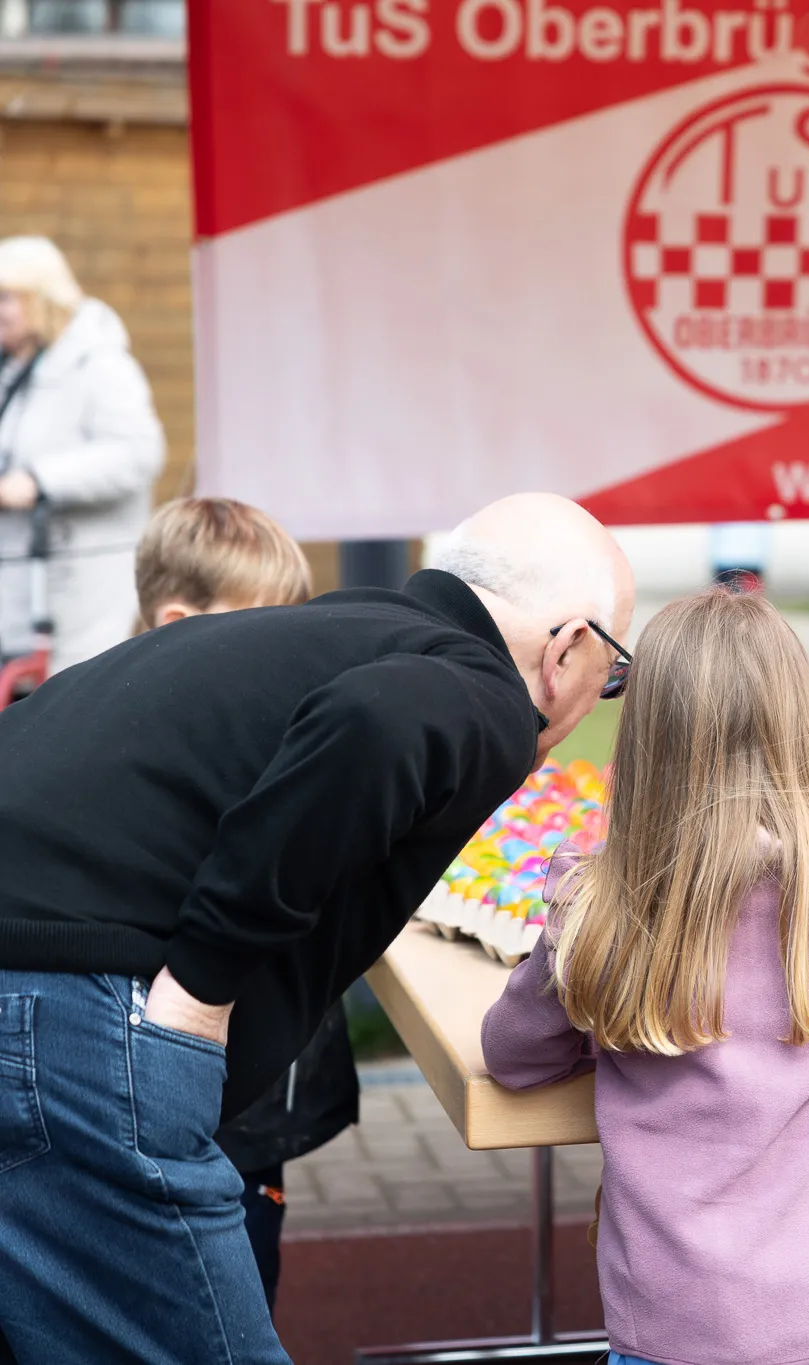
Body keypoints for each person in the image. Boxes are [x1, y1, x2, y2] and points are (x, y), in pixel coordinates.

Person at [0, 492, 634, 1362]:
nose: (601, 697)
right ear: (566, 649)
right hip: (72, 1012)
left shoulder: (349, 626)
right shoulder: (486, 692)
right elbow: (375, 723)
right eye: (613, 672)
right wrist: (203, 988)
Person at [481, 588, 809, 1365]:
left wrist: (607, 1030)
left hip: (664, 1333)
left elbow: (513, 1056)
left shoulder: (599, 907)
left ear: (643, 745)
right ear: (804, 735)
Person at [134, 494, 356, 1312]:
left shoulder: (273, 726)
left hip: (254, 1100)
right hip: (187, 1088)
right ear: (178, 623)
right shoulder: (160, 751)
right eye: (265, 626)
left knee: (249, 1270)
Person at [0, 235, 166, 672]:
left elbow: (138, 452)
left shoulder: (100, 364)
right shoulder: (15, 369)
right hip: (21, 586)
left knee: (74, 692)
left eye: (5, 298)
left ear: (40, 297)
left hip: (83, 585)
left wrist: (39, 481)